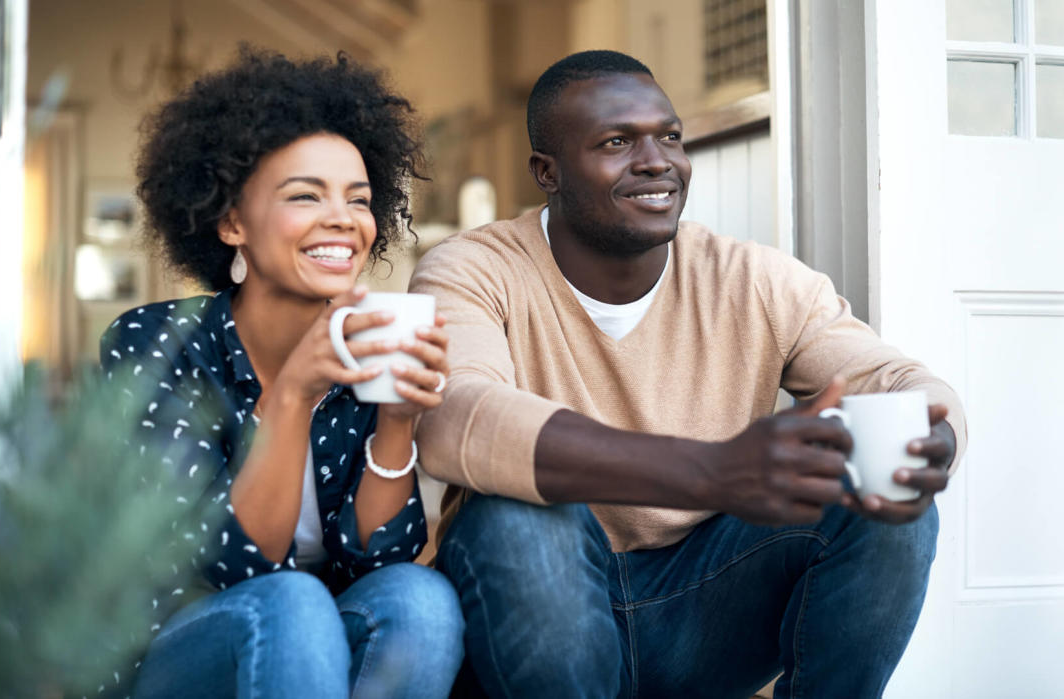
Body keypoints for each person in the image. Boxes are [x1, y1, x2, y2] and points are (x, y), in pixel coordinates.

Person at [409, 50, 967, 698]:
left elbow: (897, 378)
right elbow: (457, 419)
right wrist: (713, 468)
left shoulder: (753, 278)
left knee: (885, 496)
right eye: (617, 142)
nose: (657, 161)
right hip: (536, 609)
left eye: (669, 137)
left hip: (701, 609)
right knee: (516, 518)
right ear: (548, 171)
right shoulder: (472, 268)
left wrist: (933, 436)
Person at [99, 48, 463, 699]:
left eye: (359, 199)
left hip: (310, 642)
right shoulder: (156, 344)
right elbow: (234, 569)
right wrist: (295, 390)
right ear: (232, 220)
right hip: (177, 651)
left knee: (422, 599)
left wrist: (397, 419)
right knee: (290, 602)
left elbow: (377, 558)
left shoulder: (364, 344)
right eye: (305, 195)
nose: (343, 219)